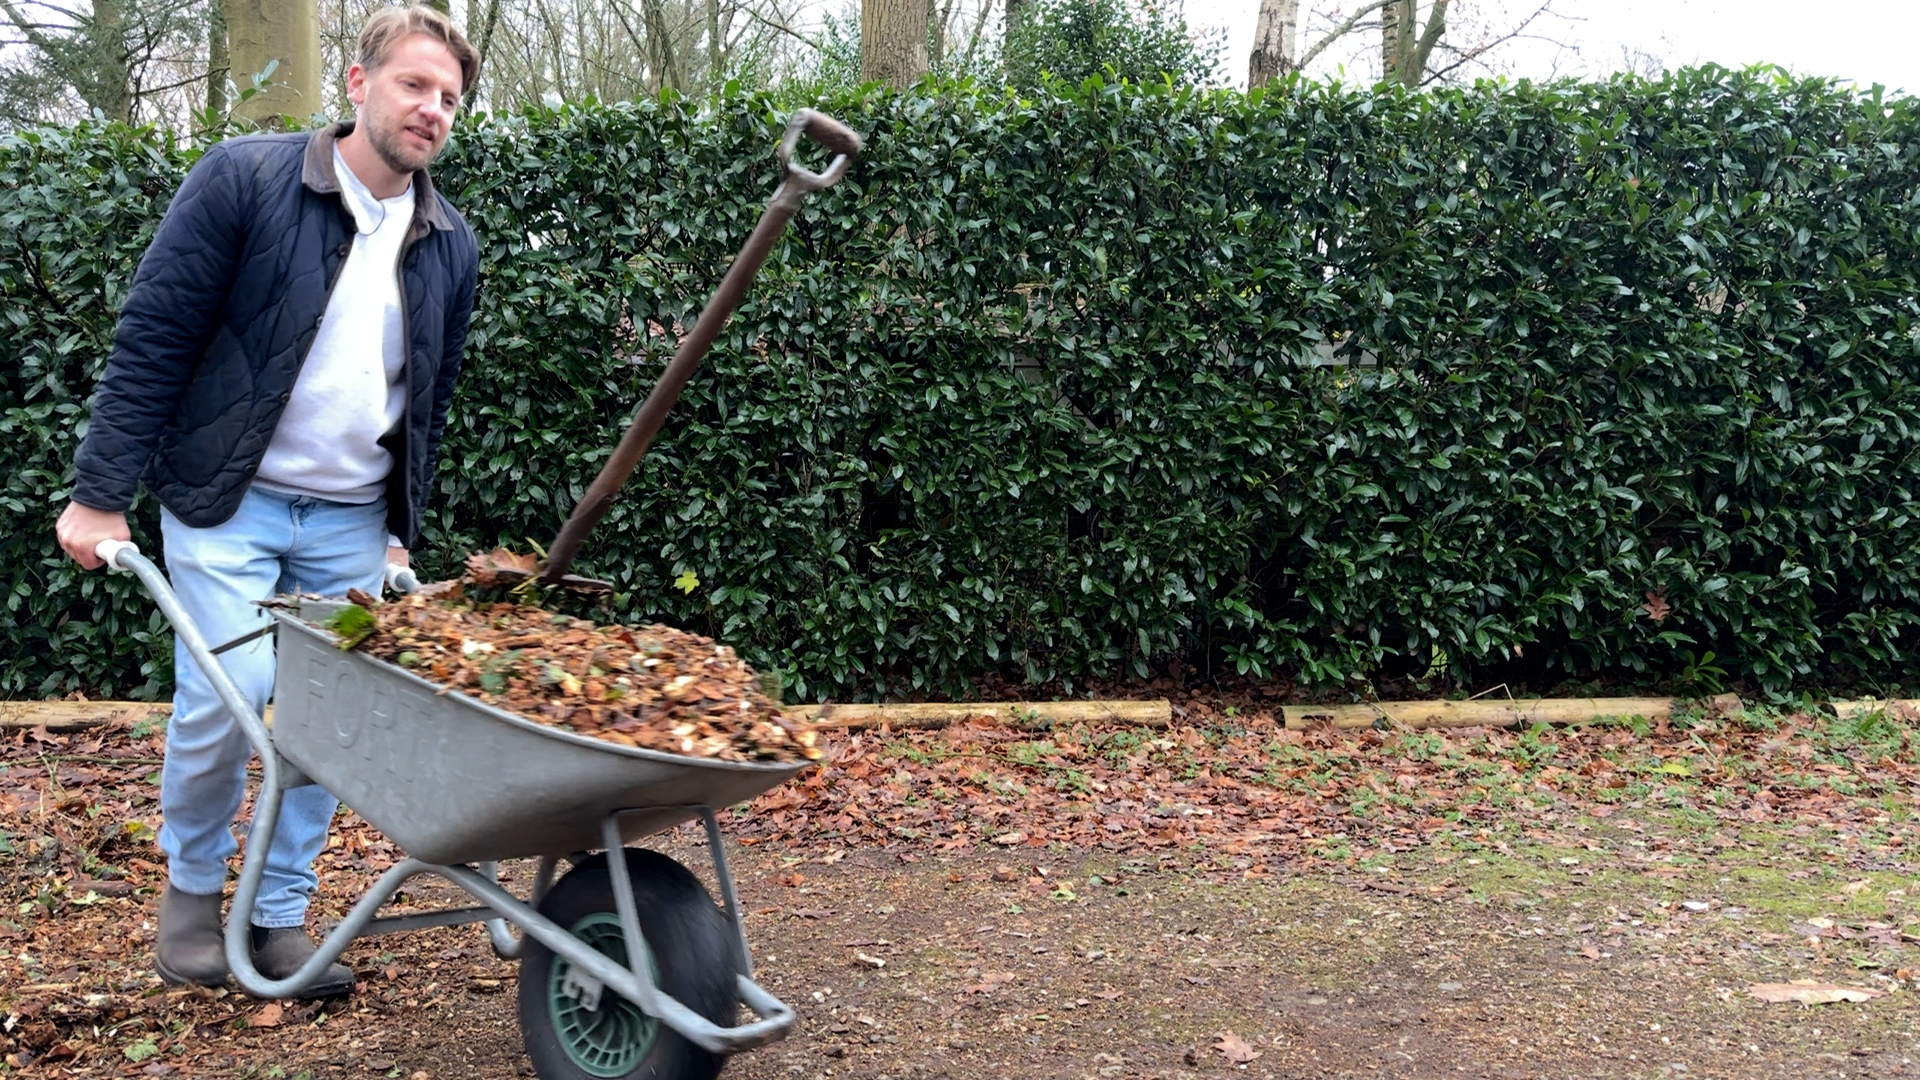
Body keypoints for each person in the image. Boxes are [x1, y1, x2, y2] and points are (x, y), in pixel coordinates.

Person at [53, 4, 481, 998]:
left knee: (329, 726)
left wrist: (393, 532)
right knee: (226, 701)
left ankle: (279, 913)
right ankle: (194, 902)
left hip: (348, 521)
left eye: (451, 98)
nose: (433, 110)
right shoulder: (246, 180)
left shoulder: (446, 240)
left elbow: (432, 394)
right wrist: (98, 497)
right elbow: (155, 335)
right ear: (360, 84)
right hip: (229, 501)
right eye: (416, 84)